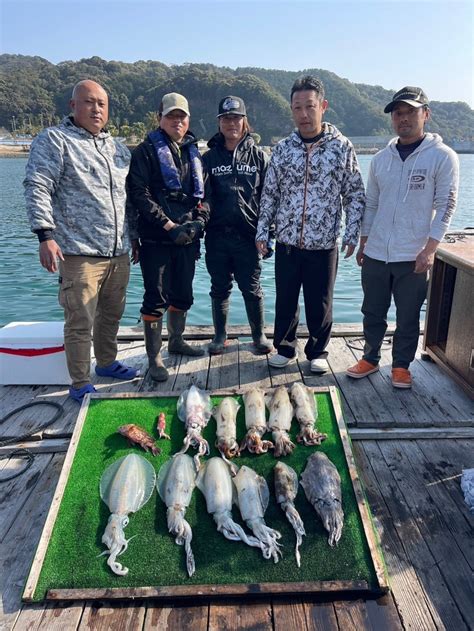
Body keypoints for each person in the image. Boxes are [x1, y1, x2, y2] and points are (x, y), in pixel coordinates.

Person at [24, 80, 138, 402]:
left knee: (111, 314)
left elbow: (127, 199)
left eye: (102, 104)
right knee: (79, 320)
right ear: (73, 106)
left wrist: (135, 238)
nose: (97, 109)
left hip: (118, 251)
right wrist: (45, 235)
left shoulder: (117, 148)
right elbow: (37, 186)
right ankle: (78, 381)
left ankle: (106, 362)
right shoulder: (55, 141)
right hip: (79, 252)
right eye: (89, 102)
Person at [346, 86, 459, 388]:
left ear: (426, 114)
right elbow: (371, 203)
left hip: (414, 255)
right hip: (377, 252)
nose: (404, 118)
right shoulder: (382, 159)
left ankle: (401, 366)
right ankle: (370, 358)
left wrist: (430, 248)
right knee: (372, 309)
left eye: (411, 111)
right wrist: (364, 240)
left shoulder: (442, 157)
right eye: (398, 113)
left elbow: (446, 206)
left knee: (408, 315)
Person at [256, 76, 365, 373]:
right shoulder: (282, 149)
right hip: (288, 241)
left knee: (321, 301)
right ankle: (285, 347)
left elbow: (354, 193)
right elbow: (270, 193)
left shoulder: (341, 147)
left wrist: (352, 232)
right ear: (291, 110)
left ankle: (317, 350)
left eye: (310, 107)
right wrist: (262, 230)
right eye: (297, 108)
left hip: (324, 242)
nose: (304, 114)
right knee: (286, 298)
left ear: (323, 107)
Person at [126, 93, 209, 382]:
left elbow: (205, 196)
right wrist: (167, 225)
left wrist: (199, 223)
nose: (177, 120)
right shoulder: (145, 151)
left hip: (188, 238)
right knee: (155, 297)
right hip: (157, 239)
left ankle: (177, 340)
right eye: (171, 115)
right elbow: (139, 194)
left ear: (188, 120)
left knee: (183, 294)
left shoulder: (194, 152)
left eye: (182, 116)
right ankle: (154, 356)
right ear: (159, 117)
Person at [203, 95, 272, 355]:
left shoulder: (259, 157)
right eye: (226, 118)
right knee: (219, 287)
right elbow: (202, 197)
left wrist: (268, 235)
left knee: (251, 287)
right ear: (220, 122)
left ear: (245, 122)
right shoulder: (208, 158)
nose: (231, 123)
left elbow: (269, 198)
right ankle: (220, 336)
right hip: (217, 236)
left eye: (236, 118)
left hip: (249, 236)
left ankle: (259, 335)